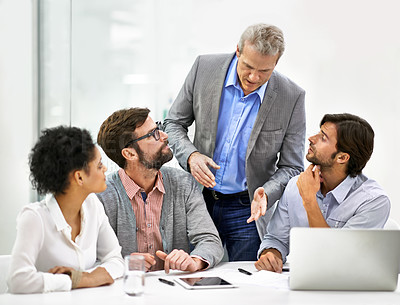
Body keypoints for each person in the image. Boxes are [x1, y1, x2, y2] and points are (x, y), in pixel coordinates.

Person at [164, 23, 306, 260]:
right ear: (238, 51)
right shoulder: (204, 68)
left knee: (246, 287)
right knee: (191, 280)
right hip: (198, 200)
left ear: (276, 62)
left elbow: (292, 167)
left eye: (264, 71)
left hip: (248, 210)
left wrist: (267, 192)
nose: (253, 77)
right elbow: (173, 123)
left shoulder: (292, 97)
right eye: (248, 66)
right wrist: (191, 156)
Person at [250, 113, 391, 272]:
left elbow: (336, 258)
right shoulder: (295, 185)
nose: (311, 138)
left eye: (323, 138)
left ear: (342, 157)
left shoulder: (373, 201)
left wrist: (309, 200)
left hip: (348, 290)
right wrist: (271, 254)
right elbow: (276, 239)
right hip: (301, 286)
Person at [96, 107, 224, 274]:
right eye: (152, 134)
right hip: (126, 292)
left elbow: (210, 240)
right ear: (130, 154)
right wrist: (122, 264)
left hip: (174, 289)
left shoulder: (183, 183)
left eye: (159, 128)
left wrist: (194, 261)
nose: (164, 136)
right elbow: (89, 258)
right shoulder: (102, 196)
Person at [7, 126, 124, 294]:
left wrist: (84, 278)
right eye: (99, 165)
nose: (105, 168)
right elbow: (18, 280)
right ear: (79, 177)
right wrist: (75, 280)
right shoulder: (34, 217)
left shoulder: (93, 206)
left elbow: (115, 259)